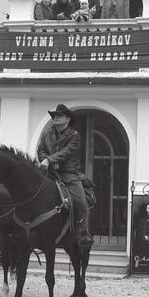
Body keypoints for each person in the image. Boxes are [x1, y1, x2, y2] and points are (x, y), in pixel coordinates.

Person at [37, 104, 93, 247]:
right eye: (55, 116)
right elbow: (41, 150)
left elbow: (67, 152)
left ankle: (83, 232)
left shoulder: (74, 136)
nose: (56, 118)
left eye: (60, 116)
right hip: (49, 173)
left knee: (81, 203)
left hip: (69, 175)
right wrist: (46, 160)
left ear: (68, 119)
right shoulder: (46, 134)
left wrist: (50, 159)